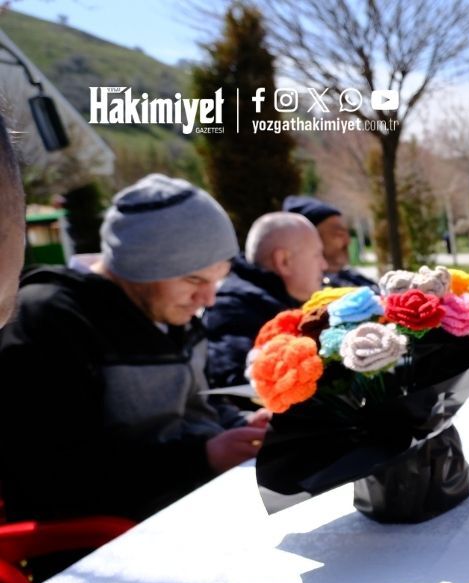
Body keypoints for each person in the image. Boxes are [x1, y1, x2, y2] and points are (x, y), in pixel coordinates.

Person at [0, 173, 267, 523]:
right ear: (139, 267)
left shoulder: (168, 311)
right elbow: (51, 475)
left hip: (196, 505)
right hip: (111, 538)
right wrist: (203, 457)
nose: (208, 299)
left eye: (216, 281)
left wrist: (242, 426)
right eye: (194, 279)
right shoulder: (51, 318)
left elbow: (197, 404)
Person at [205, 212, 325, 388]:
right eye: (317, 255)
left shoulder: (275, 299)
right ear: (283, 261)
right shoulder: (234, 309)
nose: (324, 265)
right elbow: (236, 385)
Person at [282, 194, 375, 288]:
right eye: (339, 234)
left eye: (347, 233)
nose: (348, 241)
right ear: (312, 239)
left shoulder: (352, 277)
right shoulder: (305, 290)